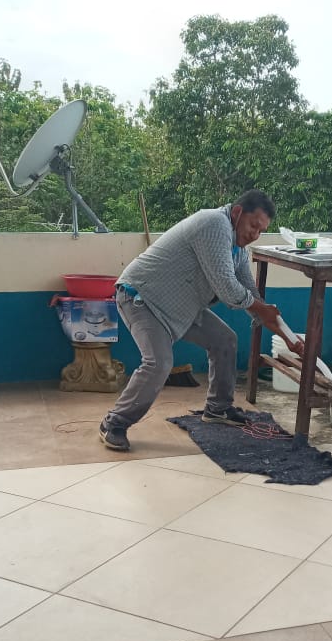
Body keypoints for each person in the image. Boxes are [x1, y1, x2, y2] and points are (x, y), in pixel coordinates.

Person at [99, 189, 303, 451]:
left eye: (261, 231)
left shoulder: (239, 251)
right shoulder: (214, 223)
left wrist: (290, 339)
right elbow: (228, 289)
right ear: (238, 212)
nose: (255, 235)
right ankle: (114, 423)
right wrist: (262, 309)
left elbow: (253, 300)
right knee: (159, 363)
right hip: (142, 298)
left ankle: (218, 408)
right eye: (254, 225)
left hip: (180, 306)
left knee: (225, 340)